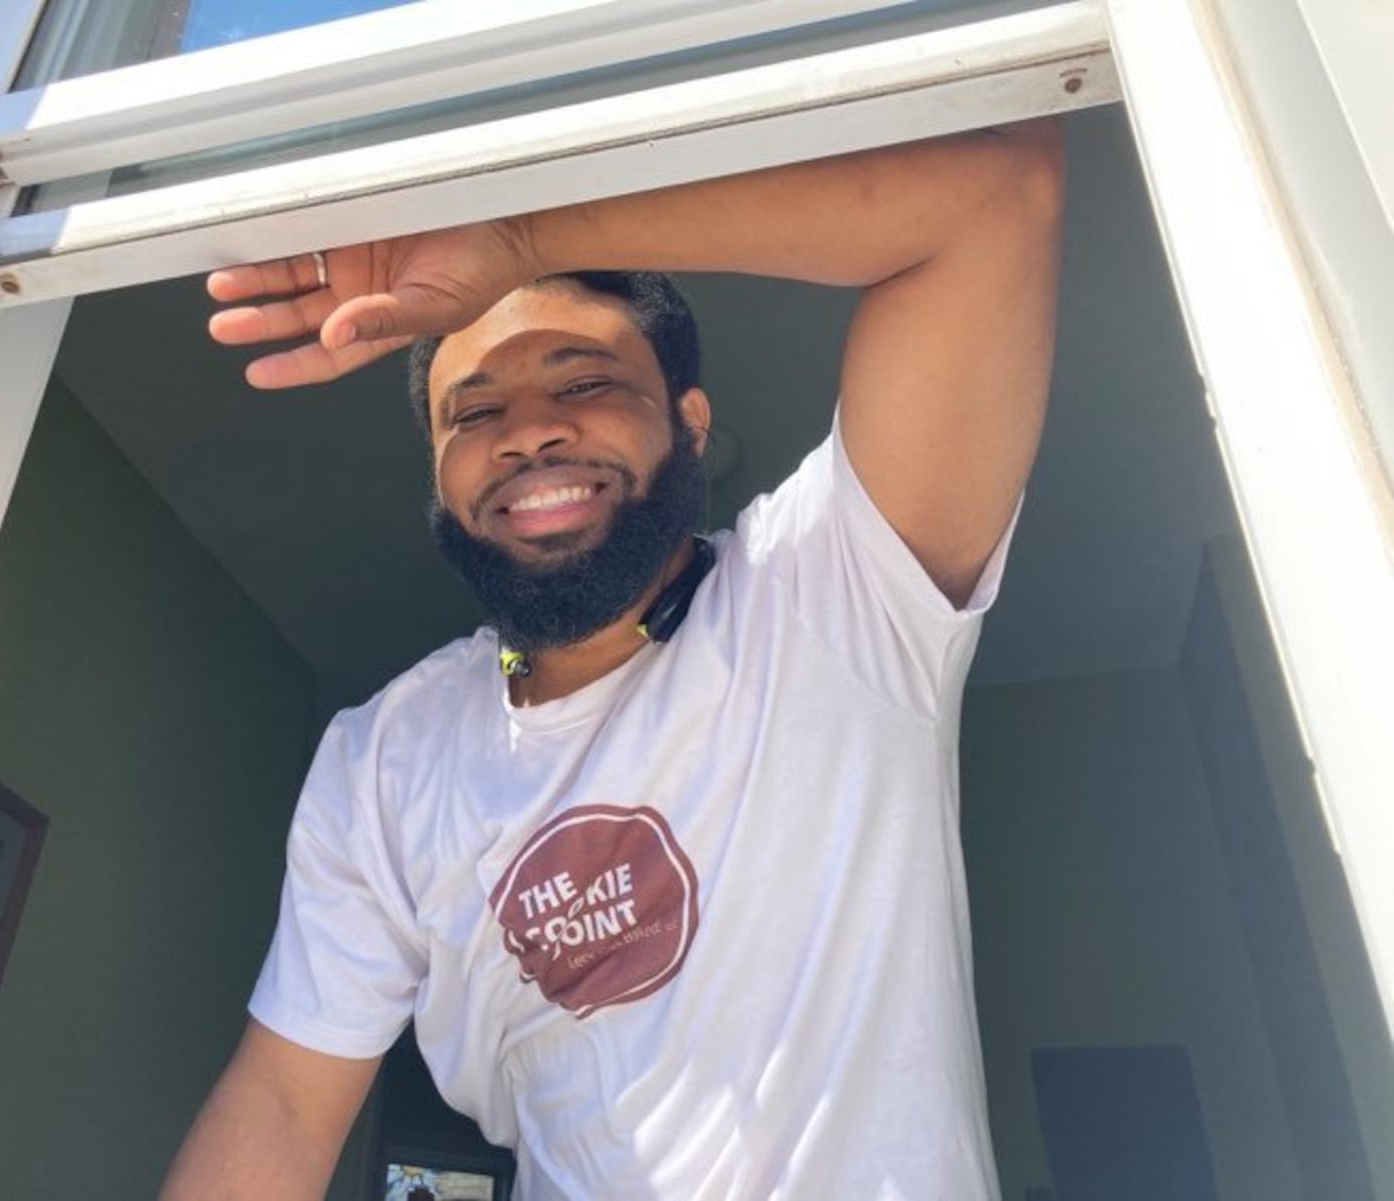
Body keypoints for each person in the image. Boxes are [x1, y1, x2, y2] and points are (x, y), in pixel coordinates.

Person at [161, 120, 1065, 1200]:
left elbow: (998, 197)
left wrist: (518, 234)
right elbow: (284, 1105)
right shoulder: (385, 760)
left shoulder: (834, 591)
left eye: (582, 382)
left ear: (687, 422)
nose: (527, 433)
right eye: (475, 411)